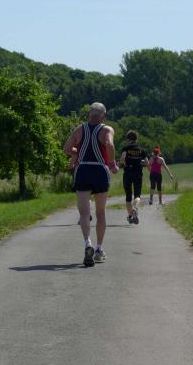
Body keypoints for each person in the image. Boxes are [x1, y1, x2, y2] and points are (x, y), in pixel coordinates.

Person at [63, 102, 119, 267]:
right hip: (100, 170)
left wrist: (77, 152)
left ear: (89, 115)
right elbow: (109, 144)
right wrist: (112, 163)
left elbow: (66, 149)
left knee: (84, 213)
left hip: (83, 170)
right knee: (100, 212)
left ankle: (88, 243)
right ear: (103, 116)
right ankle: (98, 250)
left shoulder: (79, 129)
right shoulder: (107, 129)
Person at [119, 130, 147, 224]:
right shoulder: (141, 149)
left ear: (128, 139)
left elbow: (122, 159)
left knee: (128, 196)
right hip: (138, 173)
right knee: (137, 195)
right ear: (136, 139)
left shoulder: (125, 148)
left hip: (127, 173)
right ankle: (135, 208)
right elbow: (146, 162)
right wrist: (140, 162)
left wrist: (124, 163)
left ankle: (130, 215)